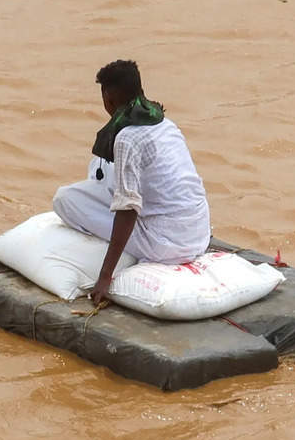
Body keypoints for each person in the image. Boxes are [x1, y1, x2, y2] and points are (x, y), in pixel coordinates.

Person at [53, 60, 211, 305]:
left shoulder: (126, 138)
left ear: (109, 99)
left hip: (167, 244)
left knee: (65, 199)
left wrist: (105, 276)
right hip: (198, 233)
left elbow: (127, 209)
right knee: (103, 173)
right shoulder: (163, 123)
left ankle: (124, 253)